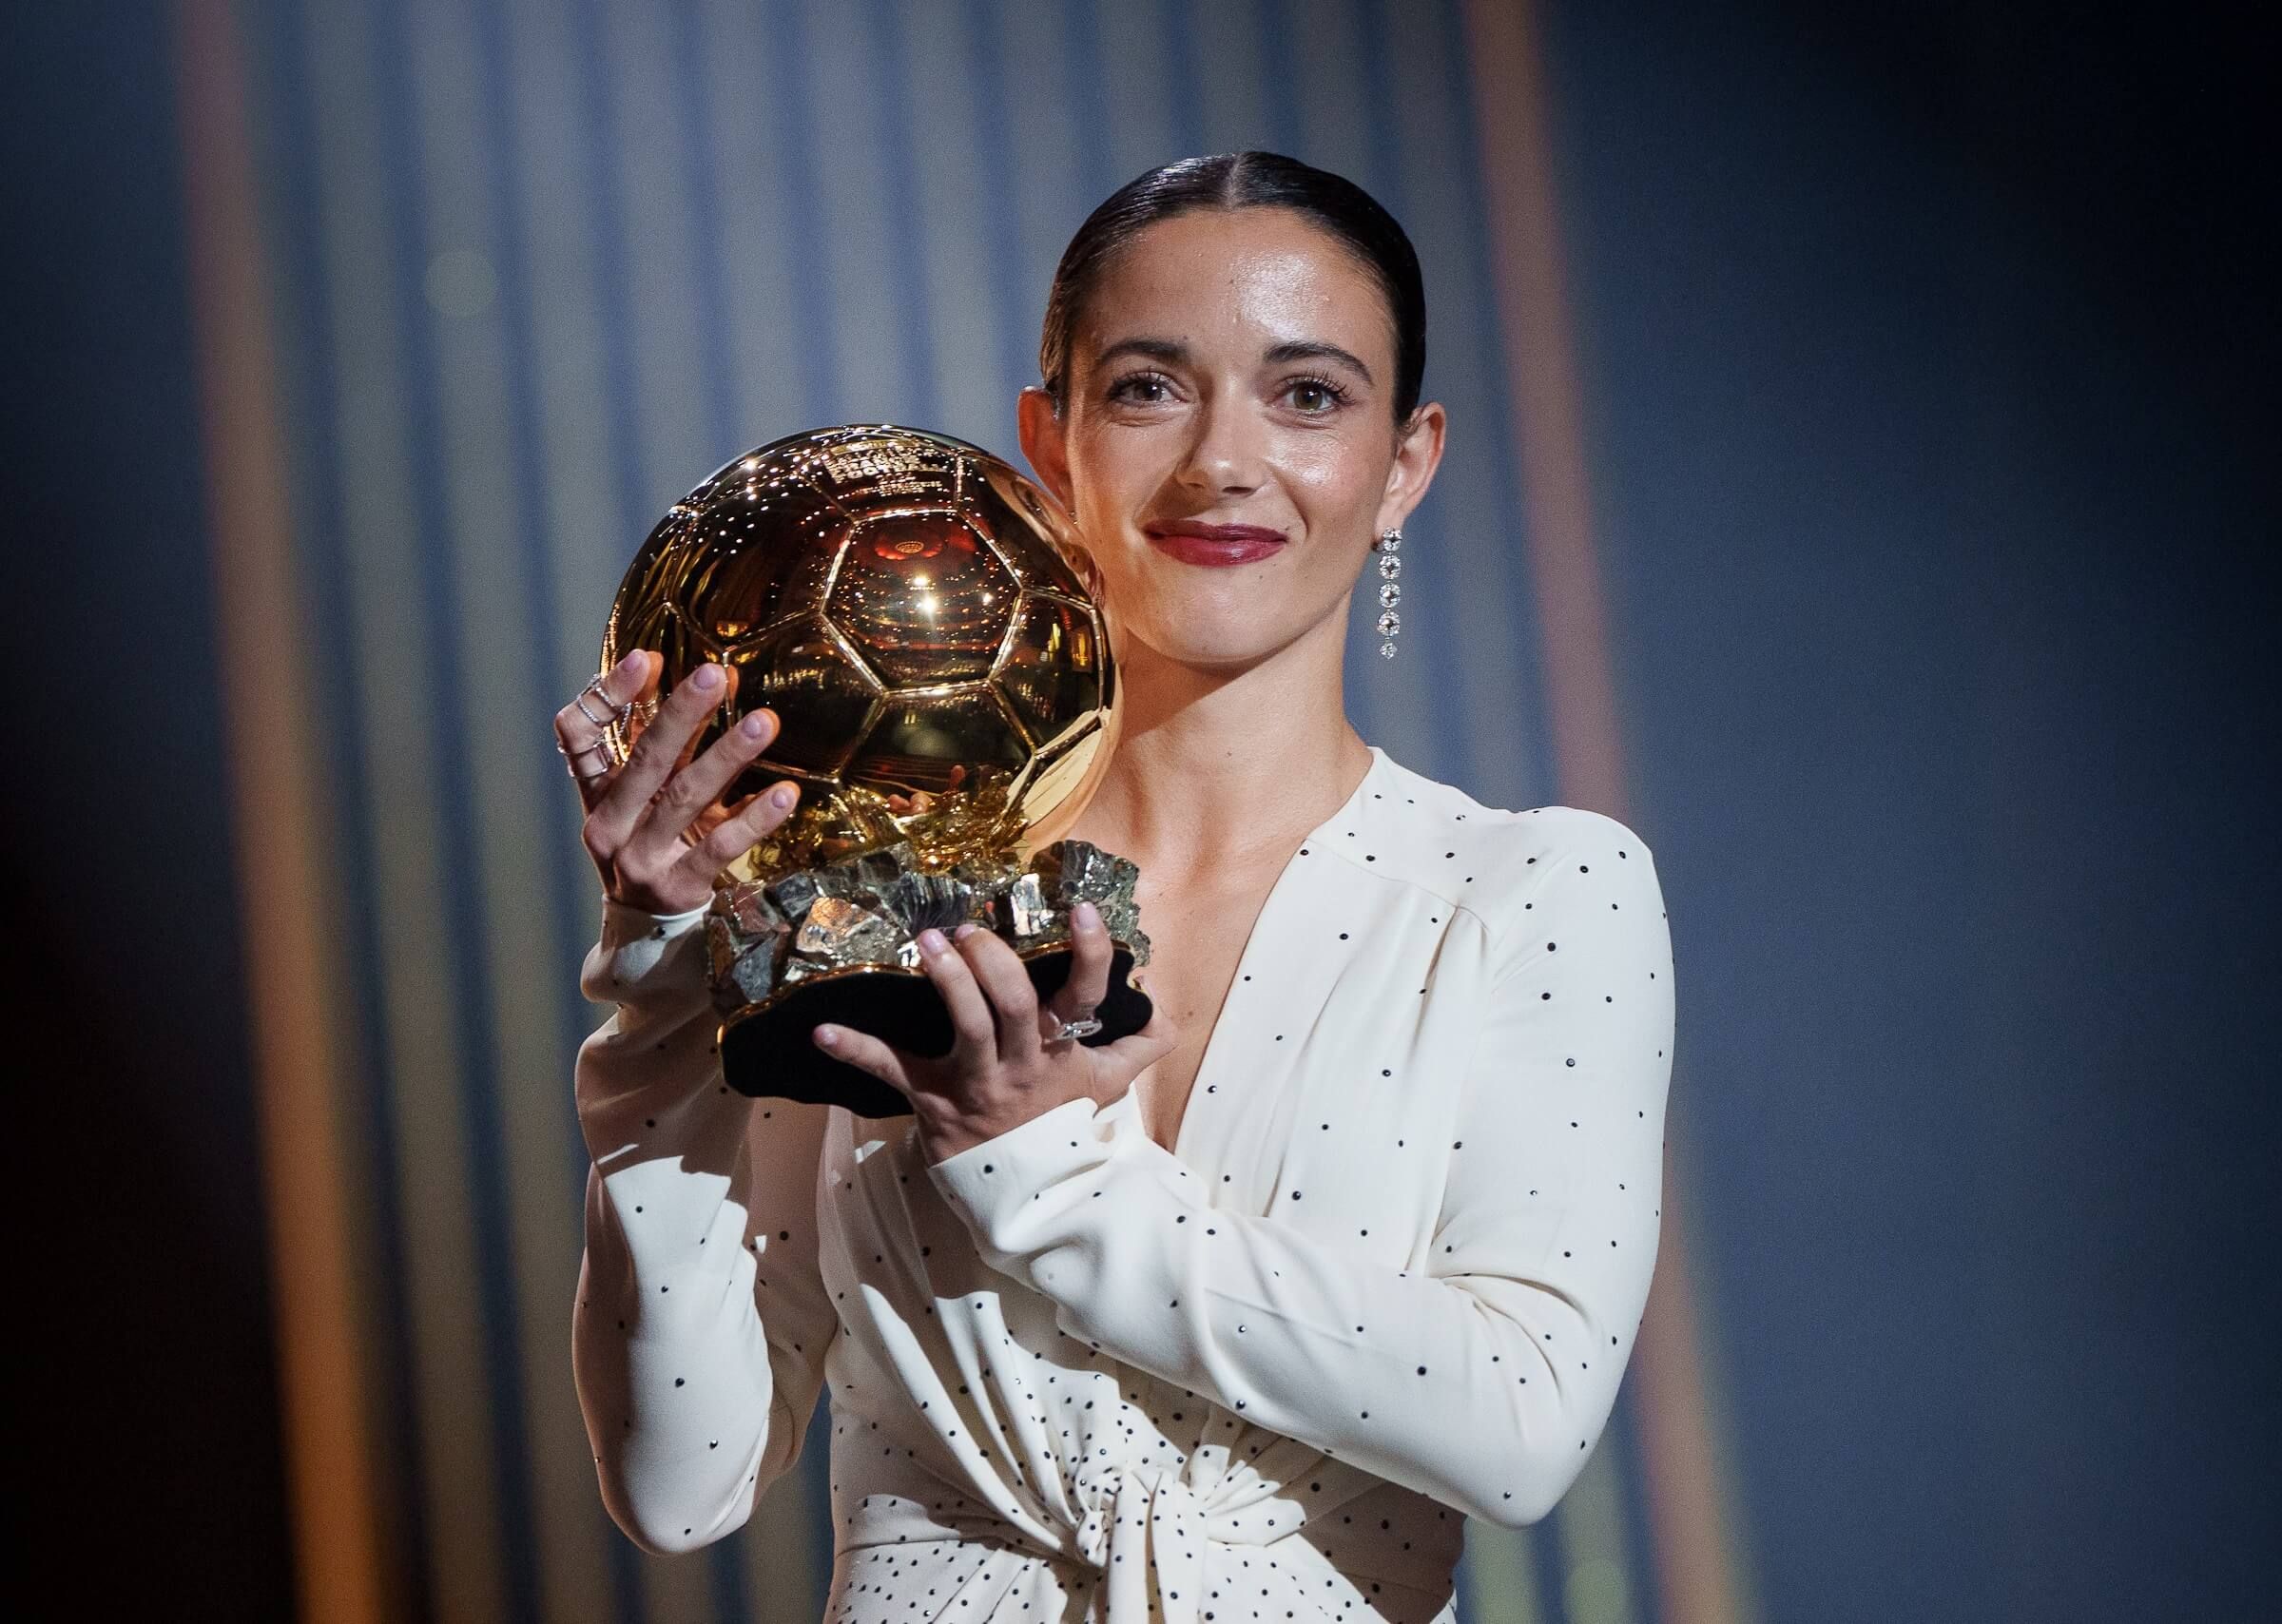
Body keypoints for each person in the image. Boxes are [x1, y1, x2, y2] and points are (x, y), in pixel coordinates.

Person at [551, 151, 1674, 1624]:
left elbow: (1522, 1423)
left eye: (1309, 395)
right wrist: (661, 983)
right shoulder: (870, 880)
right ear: (1050, 444)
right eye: (1149, 388)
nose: (1223, 461)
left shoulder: (1531, 890)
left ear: (1407, 464)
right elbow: (679, 1484)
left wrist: (1040, 1174)